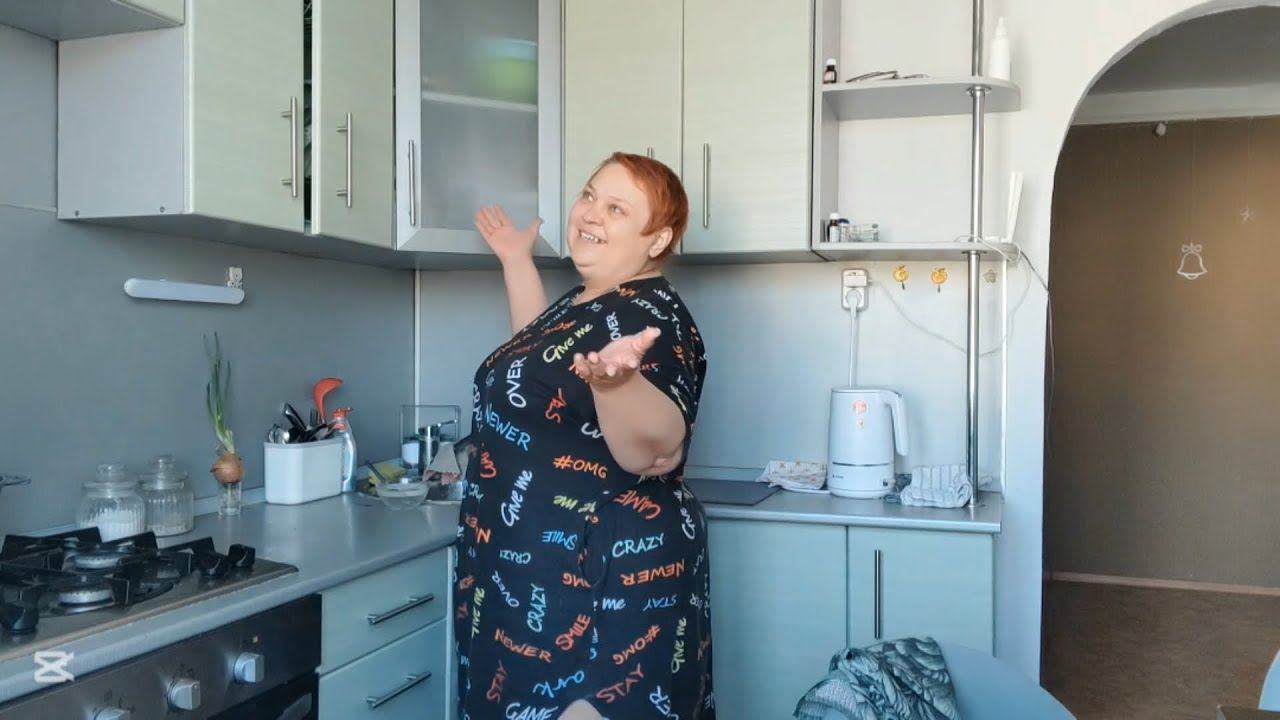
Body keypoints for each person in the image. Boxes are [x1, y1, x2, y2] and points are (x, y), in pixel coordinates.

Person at [453, 152, 715, 720]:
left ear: (657, 238)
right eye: (590, 195)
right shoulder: (582, 301)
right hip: (528, 574)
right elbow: (534, 371)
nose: (590, 212)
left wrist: (617, 384)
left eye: (617, 209)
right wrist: (516, 260)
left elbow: (658, 451)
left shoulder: (652, 314)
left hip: (600, 584)